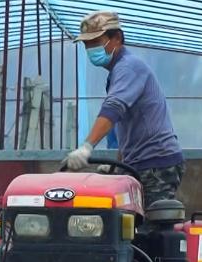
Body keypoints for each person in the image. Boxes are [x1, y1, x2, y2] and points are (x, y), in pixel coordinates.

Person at [64, 11, 185, 207]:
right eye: (86, 44)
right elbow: (127, 128)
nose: (90, 49)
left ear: (117, 38)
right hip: (141, 162)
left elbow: (113, 109)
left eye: (95, 42)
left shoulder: (128, 67)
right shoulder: (118, 71)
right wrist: (118, 165)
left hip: (155, 163)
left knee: (149, 222)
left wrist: (86, 147)